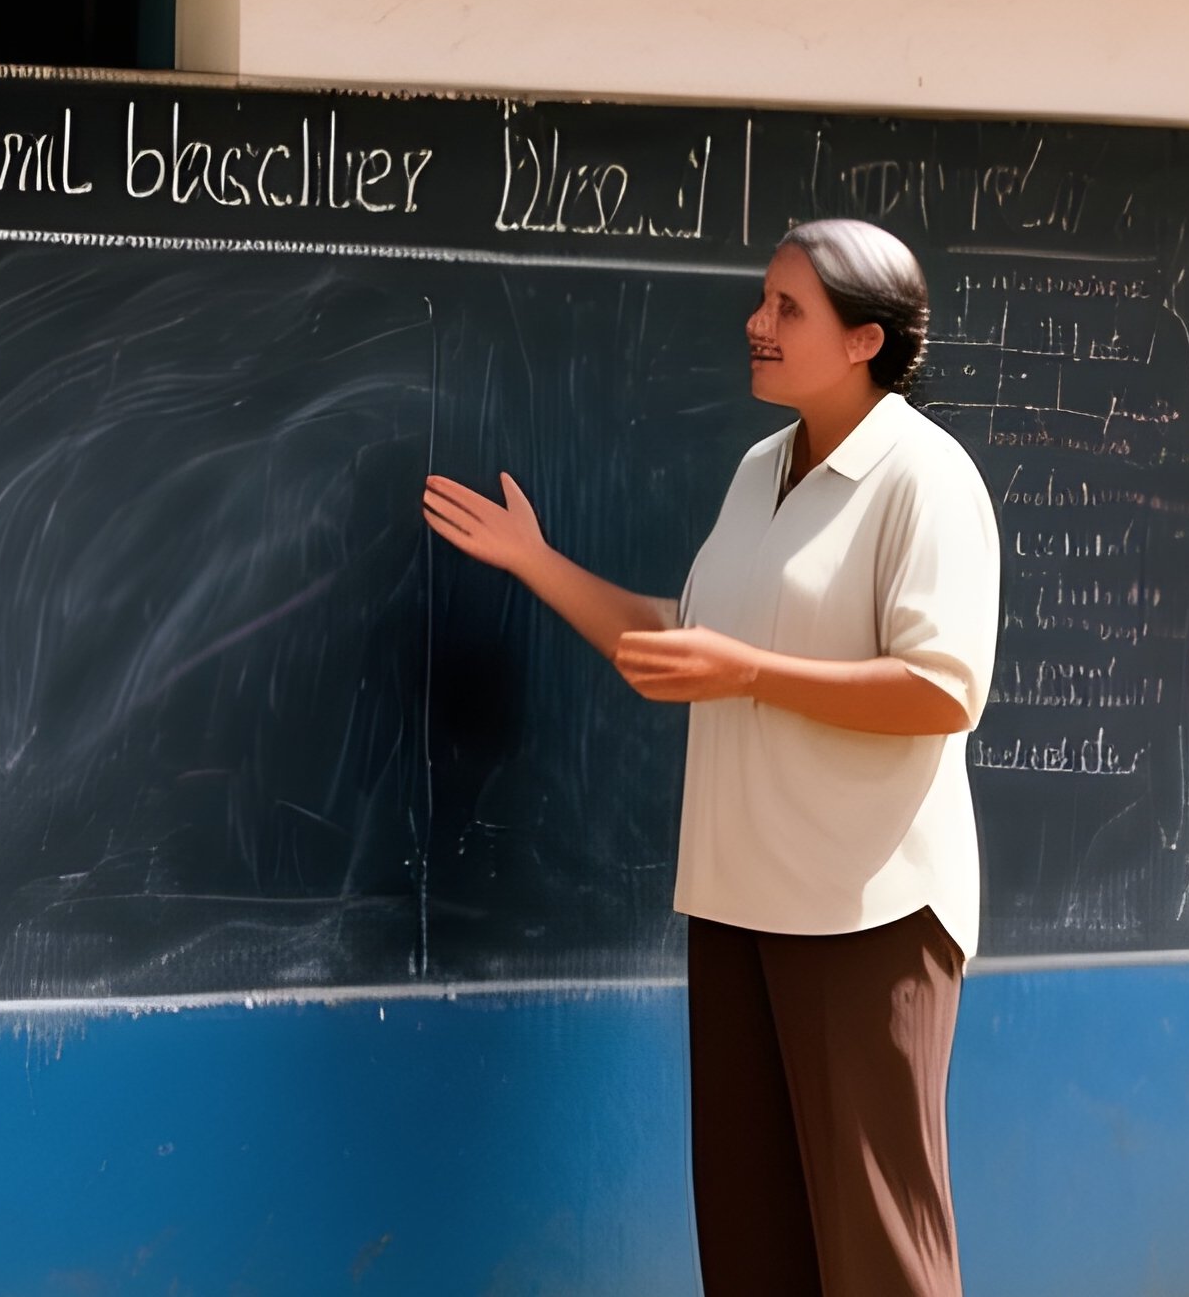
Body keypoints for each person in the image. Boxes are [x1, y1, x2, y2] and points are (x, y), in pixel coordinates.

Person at [421, 218, 1000, 1297]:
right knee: (749, 1249)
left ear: (864, 339)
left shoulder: (925, 478)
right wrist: (535, 562)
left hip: (865, 916)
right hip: (737, 904)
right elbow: (684, 639)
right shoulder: (758, 470)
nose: (756, 322)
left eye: (788, 308)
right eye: (763, 300)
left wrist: (751, 673)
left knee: (878, 1257)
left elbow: (942, 689)